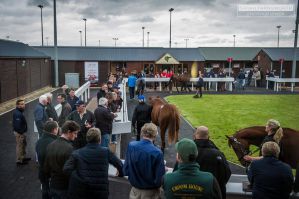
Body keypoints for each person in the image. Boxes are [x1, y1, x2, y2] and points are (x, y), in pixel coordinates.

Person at [63, 128, 124, 199]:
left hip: (82, 191)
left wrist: (78, 179)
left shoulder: (77, 153)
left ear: (87, 139)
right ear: (99, 139)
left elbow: (66, 169)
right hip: (100, 191)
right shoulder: (105, 152)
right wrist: (120, 174)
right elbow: (119, 164)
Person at [123, 123, 165, 199]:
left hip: (134, 191)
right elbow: (159, 180)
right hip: (151, 193)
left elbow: (126, 169)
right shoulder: (157, 153)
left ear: (142, 133)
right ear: (155, 135)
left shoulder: (131, 146)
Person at [44, 121, 80, 199]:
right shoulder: (70, 149)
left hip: (53, 185)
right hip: (65, 187)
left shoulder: (50, 145)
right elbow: (71, 171)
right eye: (75, 133)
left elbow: (46, 168)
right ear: (68, 132)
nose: (76, 136)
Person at [194, 126, 231, 199]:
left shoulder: (187, 152)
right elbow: (227, 173)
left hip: (192, 192)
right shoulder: (218, 154)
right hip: (213, 194)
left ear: (195, 135)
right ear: (209, 137)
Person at [36, 121, 59, 199]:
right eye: (57, 128)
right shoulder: (55, 143)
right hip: (51, 174)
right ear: (54, 130)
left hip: (42, 172)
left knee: (45, 191)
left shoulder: (39, 141)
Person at [13, 99, 30, 165]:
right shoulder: (17, 114)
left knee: (23, 145)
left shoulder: (19, 112)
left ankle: (22, 157)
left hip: (21, 133)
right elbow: (17, 126)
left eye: (24, 104)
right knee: (20, 146)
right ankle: (19, 161)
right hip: (20, 133)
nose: (23, 105)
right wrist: (21, 132)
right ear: (17, 105)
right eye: (21, 104)